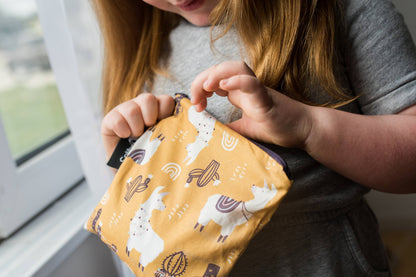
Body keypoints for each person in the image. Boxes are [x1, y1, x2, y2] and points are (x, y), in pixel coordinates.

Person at [92, 0, 416, 275]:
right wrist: (124, 154)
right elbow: (147, 225)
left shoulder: (339, 9)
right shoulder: (145, 51)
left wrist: (308, 127)